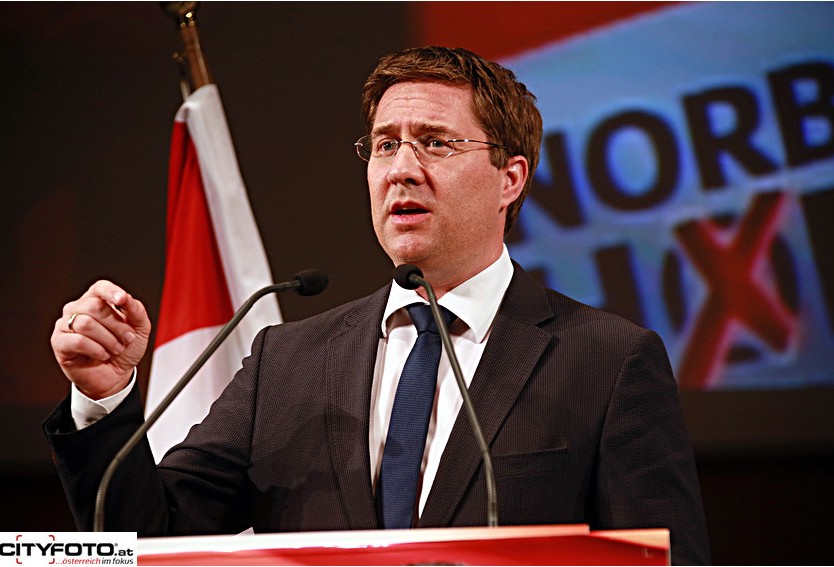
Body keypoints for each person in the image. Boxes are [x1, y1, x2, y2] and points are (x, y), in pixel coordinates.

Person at [45, 46, 710, 564]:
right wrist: (103, 397)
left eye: (436, 142)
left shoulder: (607, 361)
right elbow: (151, 540)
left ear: (510, 177)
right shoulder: (286, 361)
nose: (401, 169)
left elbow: (663, 561)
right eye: (386, 144)